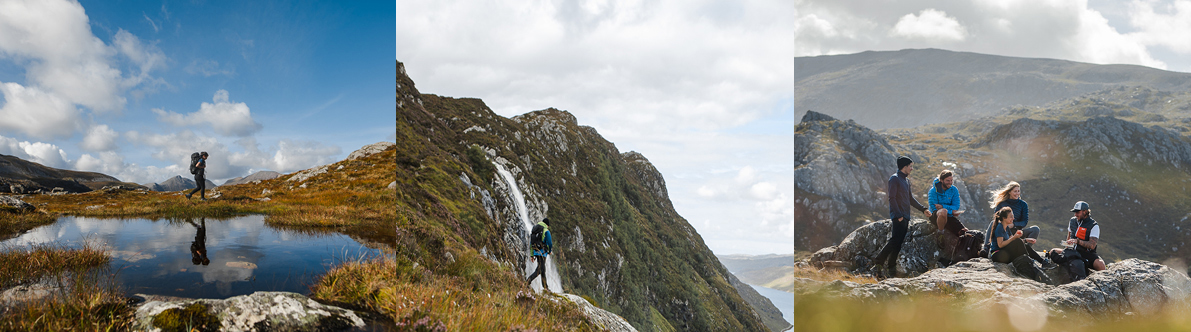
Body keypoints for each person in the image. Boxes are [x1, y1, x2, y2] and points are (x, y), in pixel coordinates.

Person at [871, 156, 930, 278]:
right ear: (904, 166)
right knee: (894, 241)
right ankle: (879, 261)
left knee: (898, 243)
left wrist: (923, 209)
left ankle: (891, 268)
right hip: (899, 216)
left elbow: (910, 199)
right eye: (910, 166)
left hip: (906, 216)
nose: (912, 168)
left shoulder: (906, 181)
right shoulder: (894, 179)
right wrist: (898, 216)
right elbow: (891, 198)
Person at [989, 181, 1049, 266]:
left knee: (1035, 229)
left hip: (1015, 230)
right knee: (992, 224)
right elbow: (996, 220)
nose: (1017, 193)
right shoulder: (1002, 206)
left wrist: (1013, 225)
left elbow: (1024, 222)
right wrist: (1006, 226)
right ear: (1009, 192)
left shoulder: (1023, 204)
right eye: (1015, 191)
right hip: (1003, 235)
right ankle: (986, 248)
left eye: (1018, 191)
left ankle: (1038, 260)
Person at [990, 207, 1050, 283]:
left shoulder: (1006, 228)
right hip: (997, 254)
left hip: (1004, 252)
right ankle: (1027, 264)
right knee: (1018, 242)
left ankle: (1042, 262)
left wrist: (1026, 240)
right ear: (1004, 218)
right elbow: (1000, 245)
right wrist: (1015, 237)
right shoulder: (999, 227)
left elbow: (1013, 240)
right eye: (1011, 217)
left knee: (1024, 245)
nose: (1013, 218)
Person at [1067, 201, 1106, 271]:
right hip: (1072, 251)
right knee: (1053, 252)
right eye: (1075, 212)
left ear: (1085, 212)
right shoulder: (1072, 221)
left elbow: (1092, 245)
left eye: (1077, 212)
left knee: (1101, 266)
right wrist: (1067, 247)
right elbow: (1069, 236)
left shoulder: (1094, 225)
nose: (1075, 214)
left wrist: (1077, 241)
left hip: (1086, 253)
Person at [927, 169, 967, 236]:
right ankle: (940, 233)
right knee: (943, 212)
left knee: (965, 232)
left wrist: (943, 206)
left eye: (951, 180)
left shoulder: (954, 190)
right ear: (941, 180)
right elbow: (934, 208)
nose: (950, 182)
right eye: (947, 180)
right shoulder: (933, 191)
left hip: (949, 216)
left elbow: (956, 206)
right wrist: (951, 211)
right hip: (935, 216)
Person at [526, 218, 553, 291]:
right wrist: (549, 250)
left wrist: (532, 255)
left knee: (542, 269)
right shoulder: (546, 230)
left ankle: (545, 287)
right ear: (547, 225)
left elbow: (531, 243)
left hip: (536, 252)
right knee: (540, 269)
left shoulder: (535, 229)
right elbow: (550, 243)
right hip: (542, 253)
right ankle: (528, 281)